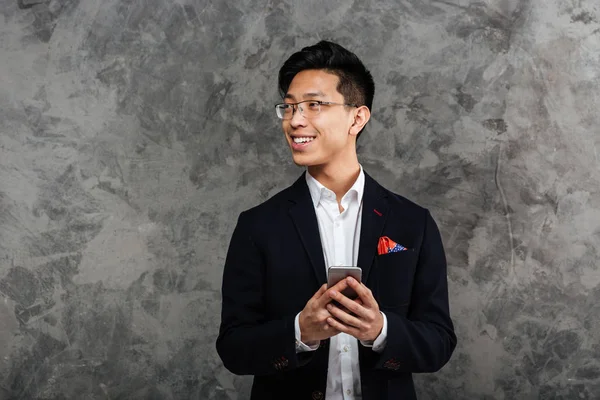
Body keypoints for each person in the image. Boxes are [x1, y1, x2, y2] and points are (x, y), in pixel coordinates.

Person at [216, 40, 456, 400]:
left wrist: (381, 330)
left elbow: (439, 342)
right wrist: (300, 332)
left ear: (357, 117)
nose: (295, 120)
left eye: (314, 104)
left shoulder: (412, 223)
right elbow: (233, 347)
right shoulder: (258, 225)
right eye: (290, 106)